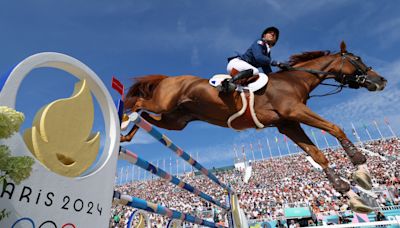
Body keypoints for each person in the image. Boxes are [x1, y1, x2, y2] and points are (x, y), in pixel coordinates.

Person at [218, 26, 288, 93]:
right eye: (270, 32)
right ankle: (227, 84)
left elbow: (268, 72)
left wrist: (277, 79)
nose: (272, 34)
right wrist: (277, 63)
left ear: (275, 41)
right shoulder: (259, 42)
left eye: (275, 34)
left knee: (259, 77)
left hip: (244, 69)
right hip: (236, 64)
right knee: (255, 71)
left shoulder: (267, 53)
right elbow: (259, 57)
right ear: (264, 36)